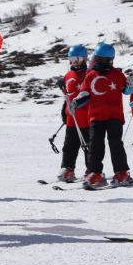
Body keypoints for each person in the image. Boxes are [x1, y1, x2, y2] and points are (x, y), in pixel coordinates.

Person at [70, 43, 133, 188]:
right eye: (98, 59)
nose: (100, 63)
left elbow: (126, 91)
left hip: (114, 116)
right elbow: (85, 93)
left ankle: (122, 172)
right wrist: (77, 101)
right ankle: (95, 173)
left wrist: (130, 84)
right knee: (95, 146)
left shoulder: (117, 74)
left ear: (110, 60)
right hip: (96, 117)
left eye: (103, 60)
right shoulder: (91, 75)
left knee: (115, 144)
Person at [56, 44, 90, 182]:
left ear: (84, 59)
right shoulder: (68, 75)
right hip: (72, 118)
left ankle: (92, 169)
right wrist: (64, 111)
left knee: (89, 146)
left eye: (77, 58)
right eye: (71, 58)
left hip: (86, 118)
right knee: (69, 146)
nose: (74, 61)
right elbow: (67, 95)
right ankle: (67, 168)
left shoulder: (89, 74)